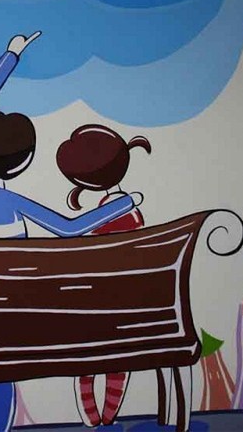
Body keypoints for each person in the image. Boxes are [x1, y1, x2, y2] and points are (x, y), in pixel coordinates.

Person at [0, 32, 143, 432]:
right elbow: (70, 229)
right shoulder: (14, 203)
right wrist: (123, 204)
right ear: (23, 161)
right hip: (8, 319)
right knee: (2, 372)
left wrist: (11, 56)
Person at [56, 124, 151, 426]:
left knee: (88, 353)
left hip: (96, 313)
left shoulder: (100, 221)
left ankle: (91, 415)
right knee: (117, 357)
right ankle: (109, 415)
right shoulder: (134, 215)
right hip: (128, 313)